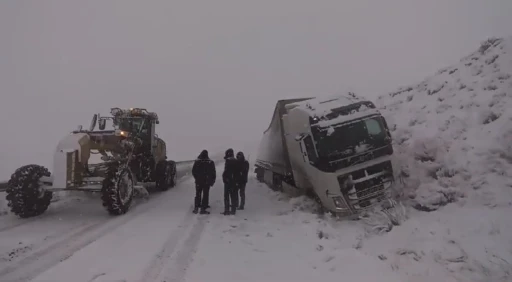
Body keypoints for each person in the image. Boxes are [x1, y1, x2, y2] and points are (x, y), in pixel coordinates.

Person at [191, 149, 216, 214]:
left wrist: (196, 178)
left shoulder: (197, 162)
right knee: (205, 194)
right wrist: (212, 181)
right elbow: (213, 173)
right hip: (206, 182)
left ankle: (196, 207)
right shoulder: (210, 162)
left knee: (198, 194)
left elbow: (193, 171)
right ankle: (203, 208)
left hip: (198, 181)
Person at [222, 148, 238, 215]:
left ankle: (227, 210)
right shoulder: (236, 161)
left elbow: (226, 172)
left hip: (228, 181)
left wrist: (224, 179)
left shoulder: (228, 161)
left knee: (226, 196)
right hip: (234, 181)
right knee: (233, 196)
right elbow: (237, 172)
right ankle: (233, 211)